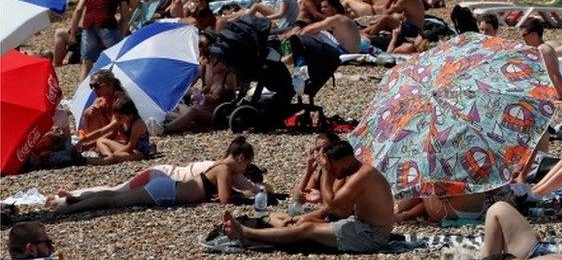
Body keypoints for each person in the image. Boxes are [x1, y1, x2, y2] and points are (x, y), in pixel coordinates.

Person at [221, 140, 395, 254]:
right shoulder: (355, 171)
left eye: (334, 167)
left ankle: (245, 233)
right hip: (361, 226)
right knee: (304, 223)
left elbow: (332, 204)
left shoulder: (363, 175)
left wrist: (326, 172)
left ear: (347, 161)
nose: (333, 171)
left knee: (307, 230)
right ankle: (259, 233)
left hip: (372, 235)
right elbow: (325, 206)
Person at [53, 136, 256, 214]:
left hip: (166, 184)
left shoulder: (219, 165)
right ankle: (71, 207)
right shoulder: (225, 169)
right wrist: (245, 197)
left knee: (114, 195)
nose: (246, 168)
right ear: (240, 158)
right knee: (114, 201)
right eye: (247, 162)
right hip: (166, 191)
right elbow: (225, 199)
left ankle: (75, 198)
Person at [68, 0, 130, 78]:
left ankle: (80, 94)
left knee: (87, 62)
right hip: (107, 24)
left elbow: (78, 9)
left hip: (89, 25)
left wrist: (72, 33)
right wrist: (121, 34)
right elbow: (125, 16)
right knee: (118, 58)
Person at [76, 97, 155, 165]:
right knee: (100, 140)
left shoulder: (137, 124)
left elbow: (130, 147)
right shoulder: (120, 120)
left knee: (113, 157)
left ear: (129, 115)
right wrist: (82, 141)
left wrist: (114, 154)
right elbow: (101, 131)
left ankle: (88, 161)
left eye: (119, 117)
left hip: (139, 152)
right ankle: (108, 158)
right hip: (127, 148)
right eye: (116, 117)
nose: (117, 120)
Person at [518, 18, 562, 101]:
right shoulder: (540, 49)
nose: (523, 38)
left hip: (553, 96)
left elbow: (555, 74)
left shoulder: (544, 50)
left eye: (524, 35)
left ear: (534, 34)